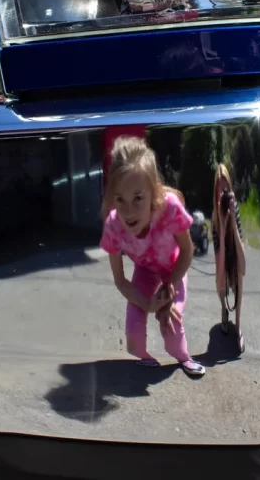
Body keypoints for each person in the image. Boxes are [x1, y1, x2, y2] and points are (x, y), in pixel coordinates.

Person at [100, 136, 206, 377]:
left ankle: (183, 358)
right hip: (145, 270)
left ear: (153, 193)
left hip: (173, 267)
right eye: (120, 200)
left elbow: (187, 251)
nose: (128, 211)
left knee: (171, 321)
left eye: (138, 198)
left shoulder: (168, 208)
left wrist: (170, 286)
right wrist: (146, 304)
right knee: (133, 328)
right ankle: (144, 357)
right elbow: (120, 280)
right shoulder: (114, 225)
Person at [212, 164, 246, 353]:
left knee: (239, 275)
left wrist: (232, 220)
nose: (223, 195)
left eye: (225, 190)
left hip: (235, 260)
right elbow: (219, 269)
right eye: (219, 191)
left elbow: (244, 265)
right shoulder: (214, 220)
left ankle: (238, 325)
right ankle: (224, 309)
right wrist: (223, 228)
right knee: (220, 282)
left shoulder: (236, 211)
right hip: (224, 263)